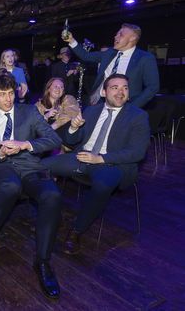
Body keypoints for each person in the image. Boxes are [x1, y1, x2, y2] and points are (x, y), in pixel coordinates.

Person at [42, 74, 150, 255]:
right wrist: (73, 128)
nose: (120, 92)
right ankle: (52, 213)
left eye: (125, 88)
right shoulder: (92, 111)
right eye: (115, 87)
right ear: (104, 91)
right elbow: (70, 142)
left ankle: (76, 231)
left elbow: (138, 152)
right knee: (41, 166)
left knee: (102, 185)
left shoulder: (138, 116)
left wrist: (100, 158)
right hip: (82, 157)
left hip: (113, 165)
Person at [0, 72, 62, 299]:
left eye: (10, 93)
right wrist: (1, 152)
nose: (7, 99)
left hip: (30, 167)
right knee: (10, 187)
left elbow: (54, 140)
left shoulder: (29, 112)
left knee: (52, 195)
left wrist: (25, 144)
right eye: (2, 95)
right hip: (1, 168)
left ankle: (43, 262)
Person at [63, 23, 159, 108]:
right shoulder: (109, 53)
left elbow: (152, 87)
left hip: (124, 105)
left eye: (120, 34)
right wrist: (71, 40)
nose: (115, 37)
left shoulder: (145, 58)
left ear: (132, 38)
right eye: (116, 34)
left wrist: (132, 107)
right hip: (100, 101)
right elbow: (86, 56)